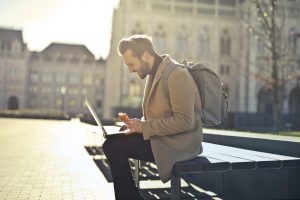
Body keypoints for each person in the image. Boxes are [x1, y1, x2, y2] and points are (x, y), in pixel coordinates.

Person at [102, 34, 203, 200]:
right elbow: (158, 114)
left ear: (145, 56)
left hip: (179, 144)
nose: (130, 70)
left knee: (113, 146)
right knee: (112, 144)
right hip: (163, 138)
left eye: (131, 64)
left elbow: (185, 121)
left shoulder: (177, 74)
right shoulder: (154, 73)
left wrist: (143, 127)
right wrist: (135, 126)